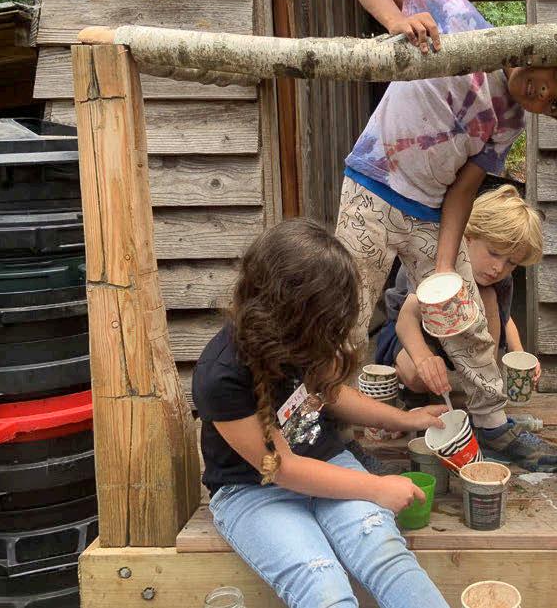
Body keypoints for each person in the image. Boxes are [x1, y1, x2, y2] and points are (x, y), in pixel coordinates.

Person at [336, 0, 557, 473]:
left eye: (556, 104)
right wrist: (395, 21)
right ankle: (334, 431)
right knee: (345, 317)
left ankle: (492, 424)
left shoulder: (510, 120)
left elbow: (464, 188)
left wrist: (445, 266)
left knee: (466, 317)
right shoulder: (460, 19)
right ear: (550, 48)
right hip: (371, 190)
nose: (544, 92)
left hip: (430, 211)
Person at [192, 219, 450, 608]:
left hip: (326, 463)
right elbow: (283, 469)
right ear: (293, 312)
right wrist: (377, 487)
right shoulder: (221, 374)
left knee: (387, 557)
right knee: (322, 584)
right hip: (254, 490)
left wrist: (406, 419)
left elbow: (330, 395)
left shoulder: (299, 336)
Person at [373, 185, 543, 404]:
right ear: (468, 236)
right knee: (416, 377)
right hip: (412, 332)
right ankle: (400, 378)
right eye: (493, 253)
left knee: (488, 296)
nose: (499, 268)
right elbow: (406, 319)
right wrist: (424, 360)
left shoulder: (501, 280)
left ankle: (485, 380)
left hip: (460, 333)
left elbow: (505, 317)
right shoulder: (438, 260)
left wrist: (519, 354)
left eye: (511, 262)